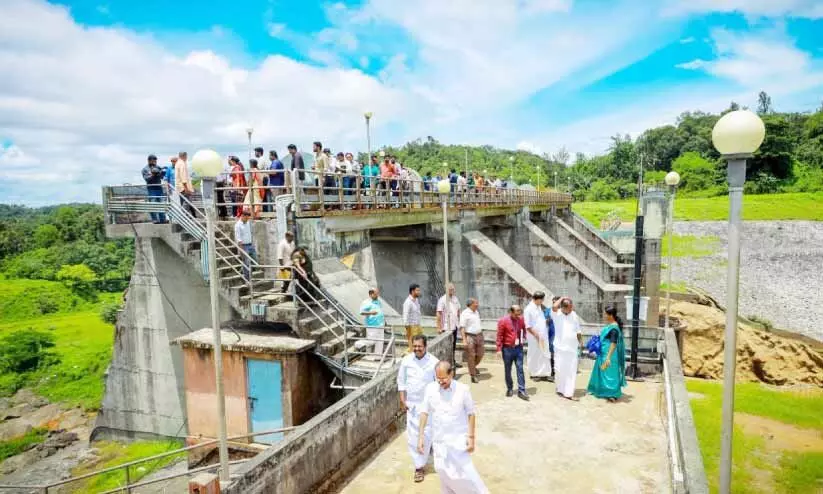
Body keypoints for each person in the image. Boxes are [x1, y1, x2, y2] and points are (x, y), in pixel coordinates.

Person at [418, 361, 488, 494]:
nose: (440, 382)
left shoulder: (463, 390)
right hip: (439, 441)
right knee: (443, 473)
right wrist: (421, 437)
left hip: (458, 441)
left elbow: (471, 413)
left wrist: (471, 437)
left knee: (464, 475)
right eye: (438, 378)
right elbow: (424, 412)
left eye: (443, 378)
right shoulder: (430, 389)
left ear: (452, 374)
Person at [398, 334, 438, 483]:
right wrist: (403, 400)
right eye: (414, 346)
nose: (417, 349)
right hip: (412, 405)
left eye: (419, 346)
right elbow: (401, 381)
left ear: (425, 346)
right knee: (413, 437)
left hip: (428, 406)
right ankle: (419, 467)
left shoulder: (434, 362)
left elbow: (439, 383)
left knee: (426, 435)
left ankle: (425, 456)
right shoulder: (406, 361)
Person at [587, 304, 627, 402]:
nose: (604, 316)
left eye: (605, 314)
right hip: (604, 352)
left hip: (610, 354)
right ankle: (603, 391)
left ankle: (612, 394)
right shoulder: (610, 326)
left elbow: (613, 344)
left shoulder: (613, 328)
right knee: (603, 372)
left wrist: (608, 357)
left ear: (610, 315)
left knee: (610, 375)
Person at [551, 297, 583, 400]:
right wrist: (562, 298)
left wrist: (581, 342)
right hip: (559, 348)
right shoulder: (557, 314)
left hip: (572, 348)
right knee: (559, 370)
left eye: (571, 307)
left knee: (571, 371)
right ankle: (560, 389)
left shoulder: (574, 315)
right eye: (569, 307)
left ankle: (569, 393)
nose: (571, 309)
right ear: (563, 307)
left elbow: (578, 330)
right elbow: (554, 306)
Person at [496, 305, 528, 401]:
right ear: (511, 312)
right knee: (508, 370)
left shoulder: (521, 319)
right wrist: (498, 349)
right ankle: (509, 388)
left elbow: (524, 330)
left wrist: (524, 337)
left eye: (520, 310)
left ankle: (521, 390)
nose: (520, 312)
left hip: (518, 349)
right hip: (507, 349)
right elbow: (499, 336)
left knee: (520, 369)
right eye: (518, 311)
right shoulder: (503, 321)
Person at [524, 292, 552, 381]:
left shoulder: (539, 307)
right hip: (534, 336)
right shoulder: (528, 309)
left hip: (543, 335)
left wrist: (546, 322)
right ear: (538, 299)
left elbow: (539, 320)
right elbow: (528, 326)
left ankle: (545, 373)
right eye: (542, 299)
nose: (543, 301)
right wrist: (536, 335)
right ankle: (534, 373)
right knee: (534, 354)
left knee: (544, 353)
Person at [436, 283, 461, 368]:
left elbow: (458, 310)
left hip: (454, 325)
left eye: (453, 289)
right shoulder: (442, 300)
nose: (453, 290)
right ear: (447, 290)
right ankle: (446, 364)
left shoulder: (455, 298)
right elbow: (439, 314)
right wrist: (439, 327)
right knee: (446, 346)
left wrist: (459, 321)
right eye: (451, 289)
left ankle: (452, 361)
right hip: (446, 326)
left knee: (453, 344)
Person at [459, 298, 483, 383]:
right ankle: (473, 375)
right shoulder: (465, 313)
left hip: (479, 335)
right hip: (470, 336)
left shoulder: (476, 312)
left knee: (480, 354)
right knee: (471, 355)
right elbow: (462, 327)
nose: (477, 304)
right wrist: (464, 340)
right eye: (476, 303)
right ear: (471, 304)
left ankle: (472, 367)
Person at [360, 287, 386, 356]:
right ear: (371, 294)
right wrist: (371, 313)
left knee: (380, 342)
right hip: (372, 325)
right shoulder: (366, 302)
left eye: (378, 293)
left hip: (380, 324)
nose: (377, 295)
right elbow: (361, 312)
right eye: (376, 294)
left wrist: (384, 321)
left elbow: (380, 312)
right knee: (371, 341)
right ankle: (360, 344)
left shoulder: (378, 301)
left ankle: (378, 357)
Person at [142, 154, 166, 224]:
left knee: (161, 203)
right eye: (154, 161)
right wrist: (152, 175)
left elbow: (162, 177)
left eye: (156, 161)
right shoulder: (145, 169)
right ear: (149, 161)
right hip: (151, 188)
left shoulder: (158, 167)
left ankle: (162, 219)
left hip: (159, 187)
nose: (155, 162)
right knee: (153, 203)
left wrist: (162, 172)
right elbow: (147, 179)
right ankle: (155, 219)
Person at [234, 210, 256, 281]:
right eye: (246, 218)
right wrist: (241, 250)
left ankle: (244, 272)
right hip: (244, 246)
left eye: (248, 218)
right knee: (246, 263)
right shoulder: (238, 225)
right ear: (242, 216)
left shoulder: (248, 222)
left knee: (254, 260)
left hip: (250, 245)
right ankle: (247, 279)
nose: (247, 220)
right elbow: (238, 239)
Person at [543, 295, 560, 381]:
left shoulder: (564, 312)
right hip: (551, 335)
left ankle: (558, 373)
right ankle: (552, 373)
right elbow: (543, 321)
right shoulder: (548, 311)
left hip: (561, 336)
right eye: (553, 302)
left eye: (556, 303)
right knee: (552, 354)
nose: (555, 304)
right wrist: (547, 320)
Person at [402, 284, 422, 352]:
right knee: (413, 343)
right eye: (417, 290)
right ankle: (410, 355)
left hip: (417, 325)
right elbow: (405, 315)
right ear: (412, 291)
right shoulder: (408, 302)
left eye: (419, 290)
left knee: (420, 342)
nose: (419, 292)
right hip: (411, 326)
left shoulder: (416, 300)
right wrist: (407, 328)